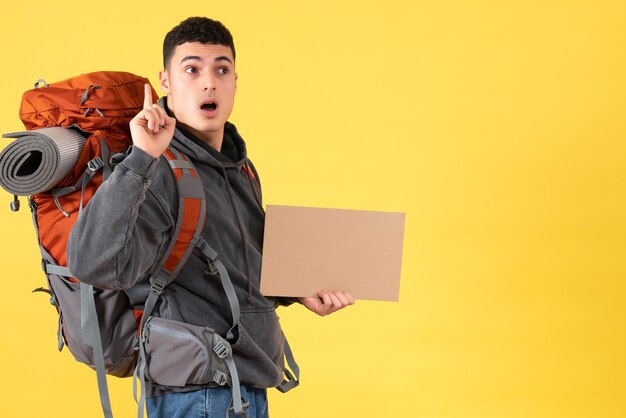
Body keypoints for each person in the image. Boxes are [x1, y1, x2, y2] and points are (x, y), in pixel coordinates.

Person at [67, 16, 354, 418]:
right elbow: (91, 263)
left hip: (244, 388)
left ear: (236, 80)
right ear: (164, 81)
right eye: (192, 69)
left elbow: (230, 264)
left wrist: (297, 288)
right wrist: (141, 158)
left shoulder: (239, 167)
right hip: (200, 394)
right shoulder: (155, 168)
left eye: (221, 69)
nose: (209, 82)